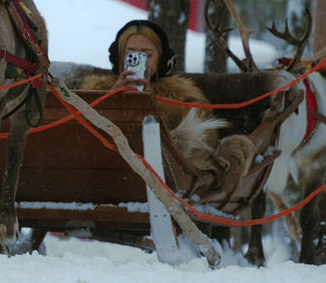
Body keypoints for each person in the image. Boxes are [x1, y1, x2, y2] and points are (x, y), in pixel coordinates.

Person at [80, 20, 253, 185]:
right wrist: (110, 99)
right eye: (130, 53)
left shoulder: (184, 96)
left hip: (164, 175)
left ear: (161, 58)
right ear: (119, 56)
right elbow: (80, 133)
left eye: (147, 55)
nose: (138, 59)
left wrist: (150, 103)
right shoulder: (96, 90)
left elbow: (204, 139)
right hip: (105, 167)